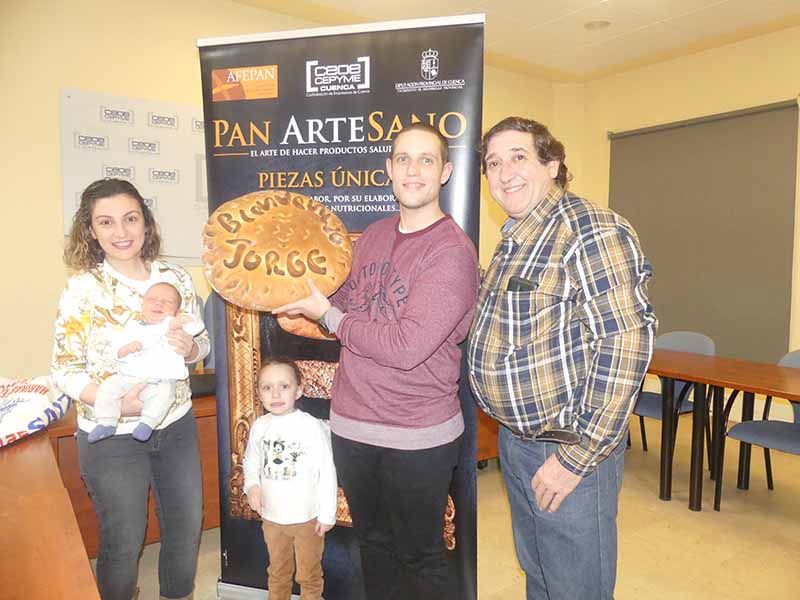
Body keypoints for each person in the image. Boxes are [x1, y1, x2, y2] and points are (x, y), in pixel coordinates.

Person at [274, 122, 480, 600]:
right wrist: (298, 294)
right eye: (403, 159)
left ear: (445, 172)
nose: (413, 170)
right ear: (388, 170)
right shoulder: (373, 236)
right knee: (375, 546)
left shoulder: (451, 253)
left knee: (421, 556)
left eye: (426, 160)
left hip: (416, 436)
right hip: (353, 427)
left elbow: (407, 347)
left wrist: (330, 316)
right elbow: (347, 296)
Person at [467, 117, 657, 600]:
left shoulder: (589, 231)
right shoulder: (516, 237)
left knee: (576, 588)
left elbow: (625, 346)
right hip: (517, 441)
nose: (504, 171)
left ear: (551, 164)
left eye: (519, 157)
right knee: (540, 575)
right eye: (493, 162)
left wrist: (576, 458)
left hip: (568, 450)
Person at [51, 178, 210, 600]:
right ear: (90, 229)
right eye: (106, 222)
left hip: (175, 425)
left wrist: (193, 346)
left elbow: (201, 346)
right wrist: (117, 403)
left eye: (130, 219)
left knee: (185, 523)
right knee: (124, 535)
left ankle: (179, 594)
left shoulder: (175, 277)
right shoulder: (82, 291)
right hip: (110, 435)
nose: (121, 232)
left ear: (145, 222)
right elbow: (64, 370)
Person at [243, 358, 337, 600]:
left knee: (309, 575)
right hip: (272, 518)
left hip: (308, 518)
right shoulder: (259, 426)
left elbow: (327, 470)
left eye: (284, 386)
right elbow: (251, 461)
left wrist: (327, 513)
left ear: (299, 390)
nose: (275, 393)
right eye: (267, 387)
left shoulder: (311, 427)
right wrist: (252, 486)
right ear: (259, 393)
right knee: (278, 571)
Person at [89, 282, 205, 443]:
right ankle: (106, 422)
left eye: (168, 302)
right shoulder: (131, 327)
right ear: (142, 305)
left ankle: (147, 423)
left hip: (159, 380)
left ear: (176, 311)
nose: (159, 303)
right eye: (152, 299)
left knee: (165, 395)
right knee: (107, 388)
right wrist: (126, 349)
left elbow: (198, 327)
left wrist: (184, 320)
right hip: (129, 377)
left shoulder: (172, 326)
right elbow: (116, 351)